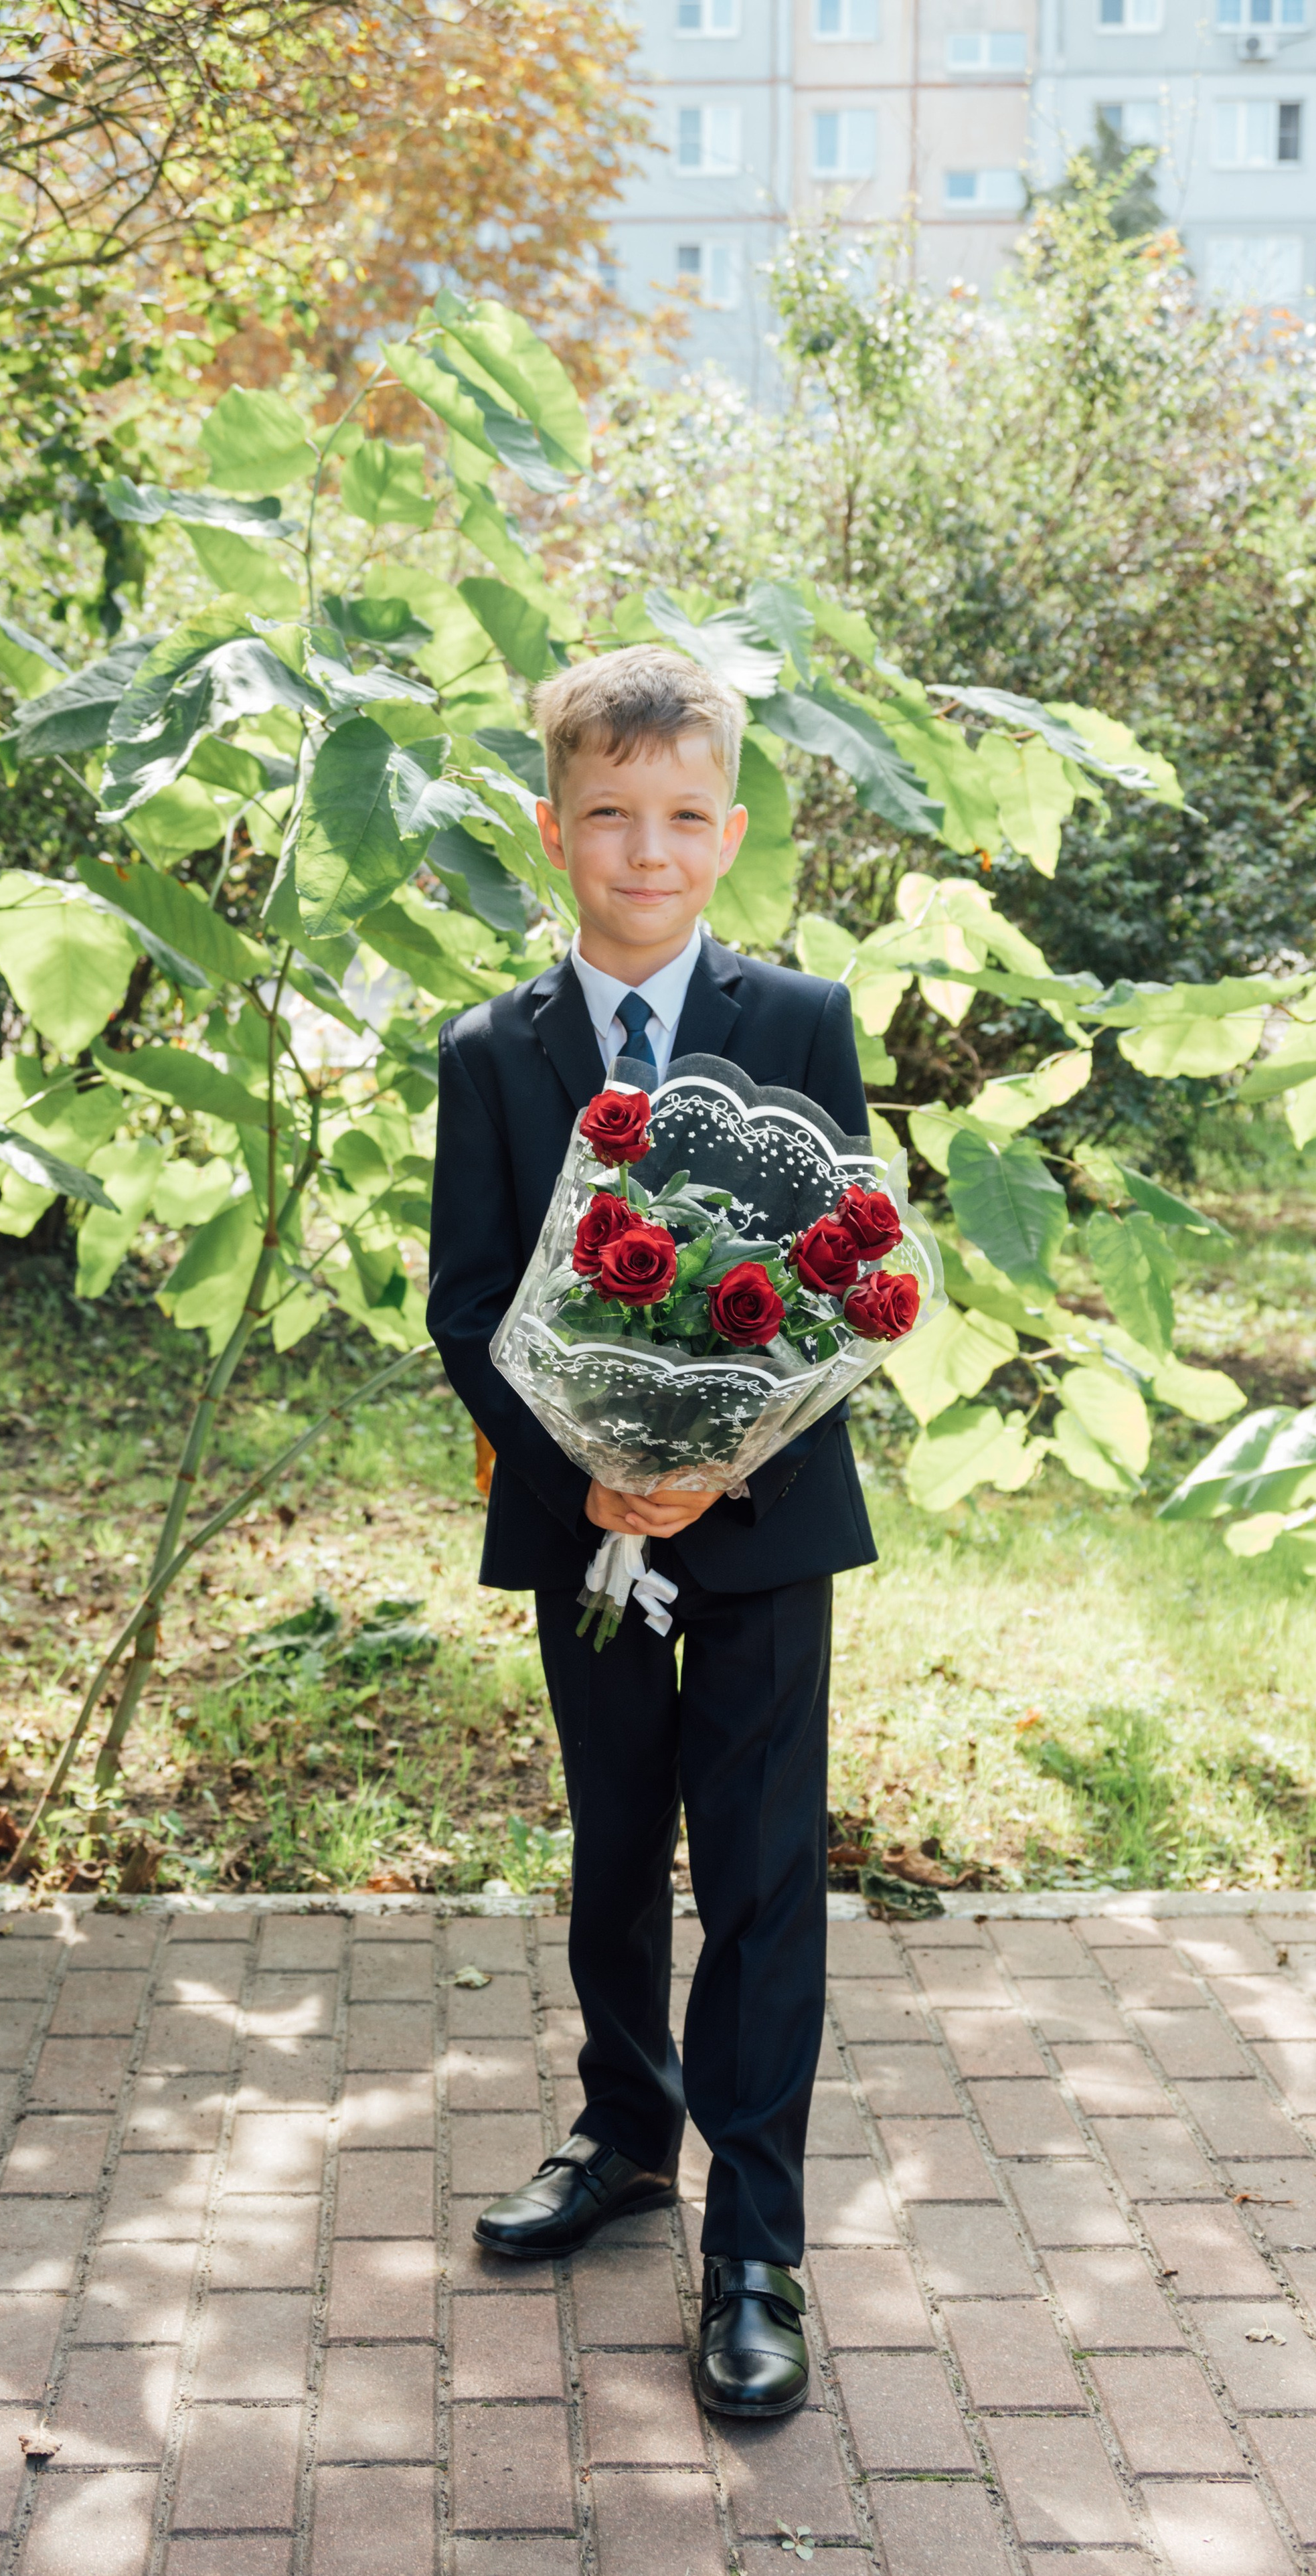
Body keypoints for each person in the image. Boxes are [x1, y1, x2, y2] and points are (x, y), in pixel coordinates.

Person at [425, 645, 875, 2421]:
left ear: (730, 833)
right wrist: (589, 1481)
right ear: (555, 831)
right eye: (609, 814)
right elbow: (470, 1305)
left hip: (763, 1520)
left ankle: (755, 2246)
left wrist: (717, 1461)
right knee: (615, 1844)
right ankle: (625, 2134)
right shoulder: (493, 1052)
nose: (647, 850)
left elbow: (841, 1268)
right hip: (580, 1522)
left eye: (684, 816)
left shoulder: (803, 1020)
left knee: (759, 1870)